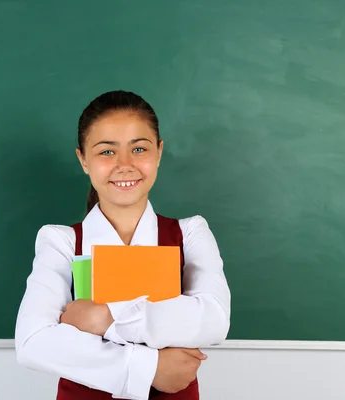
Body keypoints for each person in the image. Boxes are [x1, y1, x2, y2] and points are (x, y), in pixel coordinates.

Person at [15, 90, 231, 399]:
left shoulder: (191, 233)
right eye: (106, 152)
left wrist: (104, 319)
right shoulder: (61, 241)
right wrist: (150, 367)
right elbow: (32, 342)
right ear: (83, 160)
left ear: (158, 153)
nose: (125, 164)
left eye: (139, 149)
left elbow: (213, 320)